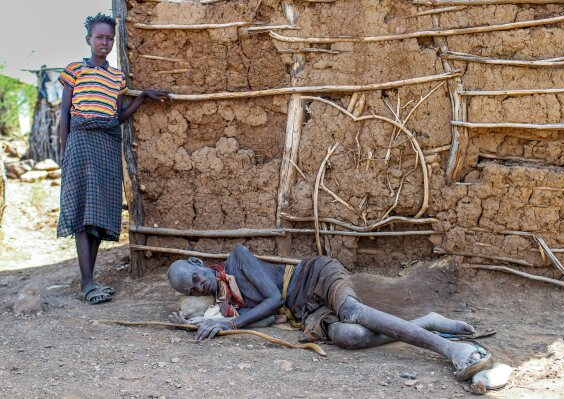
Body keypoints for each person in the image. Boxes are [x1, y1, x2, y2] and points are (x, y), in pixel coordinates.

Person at [167, 245, 493, 381]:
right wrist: (204, 322)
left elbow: (269, 299)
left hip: (315, 275)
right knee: (350, 336)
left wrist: (229, 320)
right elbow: (266, 318)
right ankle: (427, 322)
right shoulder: (227, 302)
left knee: (351, 311)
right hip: (306, 311)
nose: (199, 286)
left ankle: (452, 349)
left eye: (196, 278)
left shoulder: (237, 258)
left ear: (198, 265)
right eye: (192, 290)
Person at [57, 13, 169, 304]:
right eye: (99, 37)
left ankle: (90, 281)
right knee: (83, 211)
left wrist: (141, 97)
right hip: (80, 142)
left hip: (107, 144)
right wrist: (64, 152)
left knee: (97, 214)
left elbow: (117, 116)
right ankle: (86, 283)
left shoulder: (116, 77)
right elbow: (64, 115)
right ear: (88, 40)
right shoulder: (75, 70)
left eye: (109, 38)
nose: (104, 42)